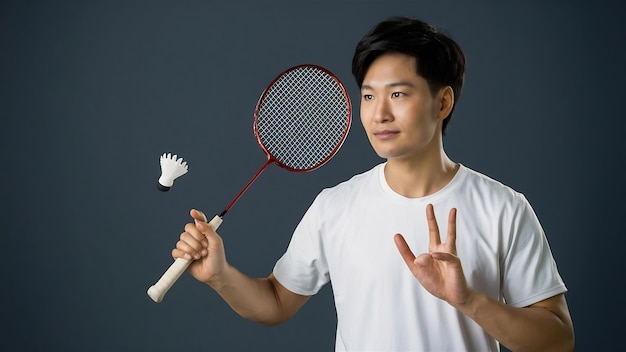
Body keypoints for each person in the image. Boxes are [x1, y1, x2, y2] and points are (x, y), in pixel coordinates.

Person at [173, 16, 575, 351]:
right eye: (368, 97)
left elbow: (558, 340)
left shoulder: (504, 208)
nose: (379, 113)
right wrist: (220, 275)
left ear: (443, 102)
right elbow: (277, 301)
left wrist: (469, 301)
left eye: (398, 94)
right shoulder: (335, 206)